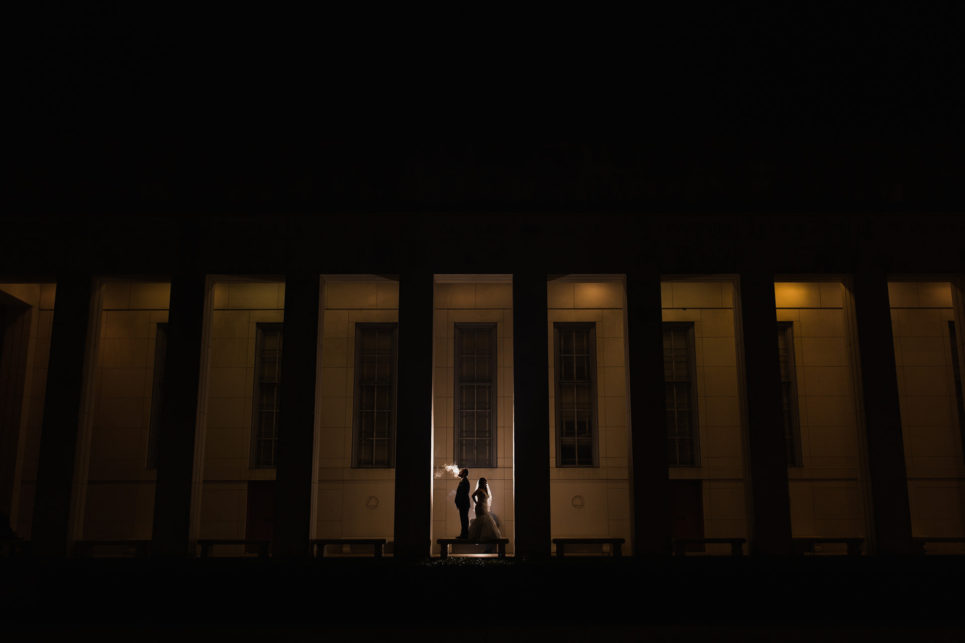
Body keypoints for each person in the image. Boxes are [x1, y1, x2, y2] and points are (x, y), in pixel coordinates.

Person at [467, 477, 501, 550]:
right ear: (481, 483)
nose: (485, 483)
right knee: (482, 519)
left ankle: (481, 536)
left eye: (485, 482)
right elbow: (473, 495)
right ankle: (478, 536)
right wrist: (476, 502)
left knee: (485, 520)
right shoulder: (479, 490)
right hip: (480, 507)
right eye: (484, 482)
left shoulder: (485, 490)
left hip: (484, 506)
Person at [454, 468, 471, 539]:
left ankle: (464, 535)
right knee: (463, 519)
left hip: (463, 503)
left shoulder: (464, 481)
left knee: (464, 519)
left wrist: (458, 502)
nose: (459, 473)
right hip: (463, 503)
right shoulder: (463, 481)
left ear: (464, 473)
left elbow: (462, 494)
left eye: (460, 472)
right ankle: (463, 534)